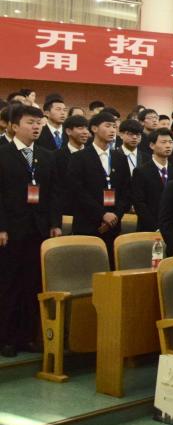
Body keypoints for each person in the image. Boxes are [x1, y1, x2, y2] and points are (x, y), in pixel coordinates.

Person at [0, 104, 62, 357]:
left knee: (33, 284)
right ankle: (6, 338)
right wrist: (1, 227)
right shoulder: (3, 154)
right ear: (14, 126)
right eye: (30, 122)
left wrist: (55, 224)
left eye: (39, 123)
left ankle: (26, 336)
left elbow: (54, 193)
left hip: (39, 230)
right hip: (11, 231)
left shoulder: (47, 156)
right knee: (9, 284)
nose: (36, 127)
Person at [65, 112, 130, 262]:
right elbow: (77, 191)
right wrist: (102, 214)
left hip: (113, 224)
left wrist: (116, 215)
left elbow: (126, 190)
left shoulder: (120, 158)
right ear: (94, 129)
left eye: (114, 127)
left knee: (112, 265)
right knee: (87, 265)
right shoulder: (79, 157)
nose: (112, 130)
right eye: (107, 126)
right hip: (87, 223)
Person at [131, 128, 173, 232]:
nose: (168, 145)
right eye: (163, 142)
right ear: (152, 145)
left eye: (170, 142)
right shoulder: (141, 172)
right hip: (149, 228)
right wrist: (156, 226)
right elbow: (139, 203)